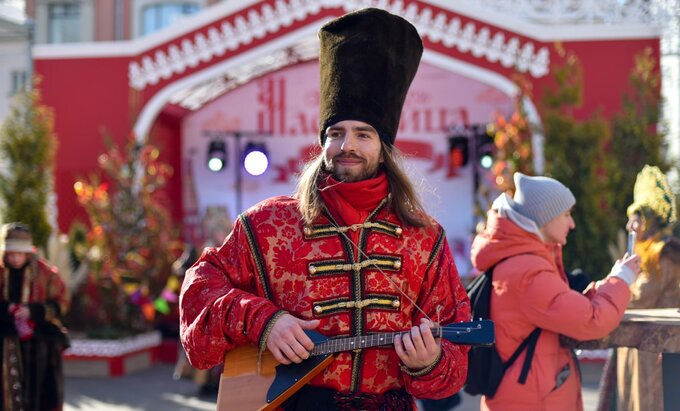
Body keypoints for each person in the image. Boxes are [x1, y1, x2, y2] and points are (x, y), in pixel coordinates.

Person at [179, 8, 471, 410]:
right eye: (336, 133)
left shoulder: (425, 237)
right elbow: (198, 293)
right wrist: (264, 321)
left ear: (383, 148)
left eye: (363, 134)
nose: (346, 145)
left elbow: (454, 364)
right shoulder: (267, 224)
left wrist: (429, 362)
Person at [470, 172, 641, 410]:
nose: (571, 223)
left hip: (526, 393)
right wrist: (622, 280)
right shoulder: (528, 271)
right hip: (533, 400)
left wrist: (613, 280)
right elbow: (592, 320)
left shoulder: (521, 261)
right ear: (544, 217)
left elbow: (567, 306)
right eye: (566, 214)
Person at [608, 165, 680, 411]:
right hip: (640, 343)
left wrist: (614, 288)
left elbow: (638, 298)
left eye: (635, 219)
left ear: (648, 220)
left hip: (654, 348)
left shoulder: (661, 255)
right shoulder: (646, 252)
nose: (629, 226)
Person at [0, 222, 69, 411]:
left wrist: (34, 311)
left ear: (29, 253)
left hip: (39, 345)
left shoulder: (45, 272)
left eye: (20, 254)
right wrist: (7, 309)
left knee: (39, 396)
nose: (15, 259)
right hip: (5, 342)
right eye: (11, 254)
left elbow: (62, 302)